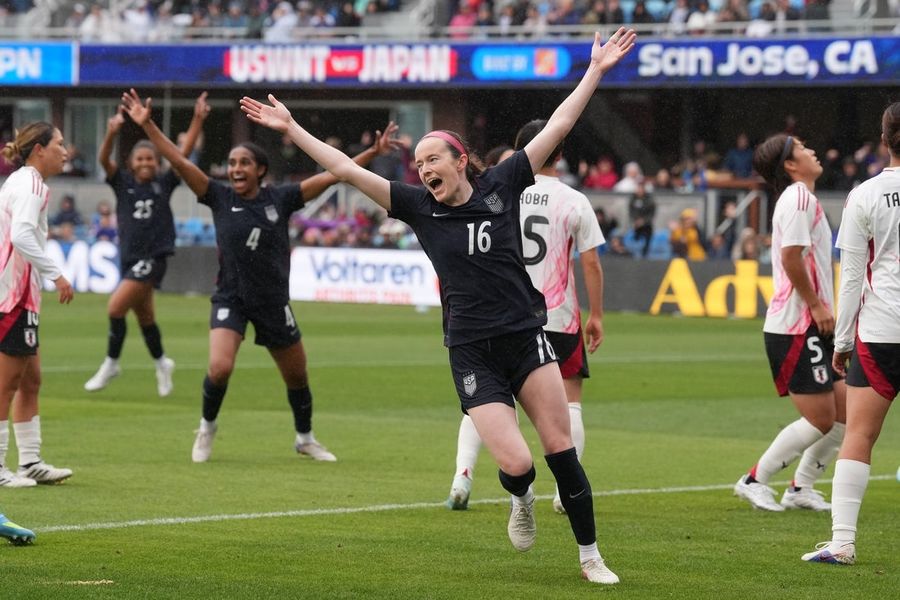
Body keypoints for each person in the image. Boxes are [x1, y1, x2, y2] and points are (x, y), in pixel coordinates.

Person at [241, 27, 637, 585]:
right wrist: (293, 128)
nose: (422, 169)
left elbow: (560, 125)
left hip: (527, 337)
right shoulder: (417, 208)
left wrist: (595, 70)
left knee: (560, 448)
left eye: (433, 159)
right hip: (472, 351)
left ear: (459, 160)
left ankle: (590, 556)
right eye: (418, 163)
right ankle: (519, 500)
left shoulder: (503, 183)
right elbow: (350, 171)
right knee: (517, 464)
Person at [120, 88, 400, 464]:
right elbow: (178, 161)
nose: (235, 169)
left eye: (244, 163)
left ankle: (305, 438)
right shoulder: (217, 196)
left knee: (297, 376)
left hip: (272, 302)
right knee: (219, 368)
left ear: (260, 170)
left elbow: (335, 175)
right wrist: (149, 124)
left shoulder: (280, 199)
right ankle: (206, 428)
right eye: (232, 163)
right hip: (230, 298)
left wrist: (371, 154)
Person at [445, 118, 606, 516]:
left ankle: (463, 476)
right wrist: (597, 314)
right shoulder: (573, 200)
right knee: (570, 406)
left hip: (502, 314)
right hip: (559, 316)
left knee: (485, 401)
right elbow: (591, 264)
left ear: (518, 150)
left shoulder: (499, 194)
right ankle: (564, 494)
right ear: (560, 151)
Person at [802, 102, 900, 565]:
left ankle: (842, 542)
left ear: (884, 141)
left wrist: (841, 342)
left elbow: (853, 277)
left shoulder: (863, 195)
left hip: (879, 332)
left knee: (859, 435)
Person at [733, 134, 846, 512]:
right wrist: (816, 306)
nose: (812, 150)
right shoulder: (798, 197)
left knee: (847, 410)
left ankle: (801, 488)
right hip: (796, 325)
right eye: (802, 147)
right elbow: (790, 257)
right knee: (820, 417)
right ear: (790, 165)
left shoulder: (803, 198)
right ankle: (754, 479)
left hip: (817, 324)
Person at [84, 93, 209, 397]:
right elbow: (103, 160)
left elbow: (182, 153)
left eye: (150, 159)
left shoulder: (163, 183)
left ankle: (112, 362)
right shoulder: (122, 182)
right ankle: (162, 363)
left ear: (156, 162)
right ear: (131, 162)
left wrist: (197, 119)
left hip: (154, 256)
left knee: (115, 308)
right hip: (129, 257)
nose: (145, 163)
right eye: (140, 159)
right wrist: (112, 131)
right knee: (146, 317)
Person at [0, 122, 75, 488]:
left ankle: (29, 461)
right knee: (6, 384)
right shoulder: (31, 184)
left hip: (20, 296)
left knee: (32, 379)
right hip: (12, 297)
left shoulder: (22, 182)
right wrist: (56, 274)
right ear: (38, 150)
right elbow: (21, 234)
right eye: (59, 144)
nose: (66, 150)